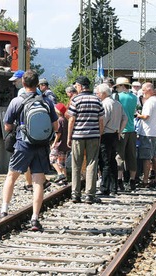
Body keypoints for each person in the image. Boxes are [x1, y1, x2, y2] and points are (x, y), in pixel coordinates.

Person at [0, 71, 58, 231]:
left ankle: (4, 210)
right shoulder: (46, 101)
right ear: (38, 84)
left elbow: (7, 126)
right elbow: (56, 126)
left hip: (23, 145)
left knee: (12, 176)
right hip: (41, 146)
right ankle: (35, 219)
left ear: (23, 84)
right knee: (39, 181)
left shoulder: (17, 101)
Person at [68, 76, 104, 204]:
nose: (75, 88)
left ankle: (75, 194)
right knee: (92, 164)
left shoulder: (75, 100)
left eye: (76, 86)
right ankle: (90, 194)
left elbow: (71, 120)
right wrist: (99, 134)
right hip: (93, 135)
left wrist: (69, 137)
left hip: (78, 136)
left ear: (80, 86)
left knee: (76, 164)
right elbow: (101, 120)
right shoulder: (97, 100)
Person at [95, 83, 127, 195]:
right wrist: (120, 130)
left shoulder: (104, 104)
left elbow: (103, 121)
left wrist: (99, 134)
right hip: (114, 134)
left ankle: (104, 188)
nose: (97, 95)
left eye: (97, 93)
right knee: (112, 161)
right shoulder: (117, 103)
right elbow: (125, 118)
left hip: (105, 134)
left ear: (103, 93)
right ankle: (114, 188)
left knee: (104, 161)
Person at [135, 82, 156, 187]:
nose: (142, 92)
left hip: (147, 132)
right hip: (155, 132)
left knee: (146, 158)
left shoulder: (150, 102)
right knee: (155, 156)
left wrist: (138, 115)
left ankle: (145, 180)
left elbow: (146, 116)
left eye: (144, 90)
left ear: (150, 90)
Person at [114, 77, 139, 190]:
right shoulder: (134, 97)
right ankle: (132, 180)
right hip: (132, 129)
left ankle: (120, 180)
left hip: (122, 130)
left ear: (122, 86)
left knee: (120, 156)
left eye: (118, 86)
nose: (116, 89)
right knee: (132, 156)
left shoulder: (118, 97)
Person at [49, 103, 70, 185]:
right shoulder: (65, 120)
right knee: (62, 162)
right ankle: (64, 179)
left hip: (59, 144)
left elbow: (58, 133)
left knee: (52, 158)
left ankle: (60, 174)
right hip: (65, 144)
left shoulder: (59, 120)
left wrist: (54, 143)